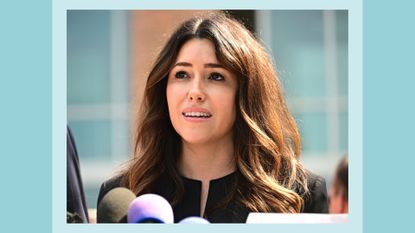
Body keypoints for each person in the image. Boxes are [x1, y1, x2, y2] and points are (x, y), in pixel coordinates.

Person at [97, 12, 328, 223]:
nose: (195, 92)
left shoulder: (298, 194)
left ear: (246, 93)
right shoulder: (125, 196)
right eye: (182, 74)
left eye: (215, 76)